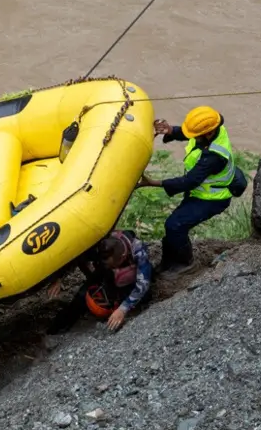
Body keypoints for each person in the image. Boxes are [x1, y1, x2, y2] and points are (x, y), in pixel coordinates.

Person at [135, 107, 243, 274]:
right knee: (174, 225)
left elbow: (189, 181)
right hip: (200, 192)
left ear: (207, 134)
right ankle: (168, 262)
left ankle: (185, 263)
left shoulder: (214, 156)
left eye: (195, 135)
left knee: (175, 225)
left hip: (212, 199)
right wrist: (171, 130)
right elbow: (190, 134)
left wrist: (153, 183)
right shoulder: (215, 129)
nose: (191, 136)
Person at [46, 230, 154, 332]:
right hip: (104, 271)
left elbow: (143, 284)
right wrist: (59, 278)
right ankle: (57, 328)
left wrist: (123, 309)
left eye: (113, 265)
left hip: (130, 279)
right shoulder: (102, 242)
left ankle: (117, 306)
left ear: (122, 257)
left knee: (145, 296)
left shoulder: (138, 250)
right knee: (81, 296)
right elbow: (76, 255)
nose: (113, 268)